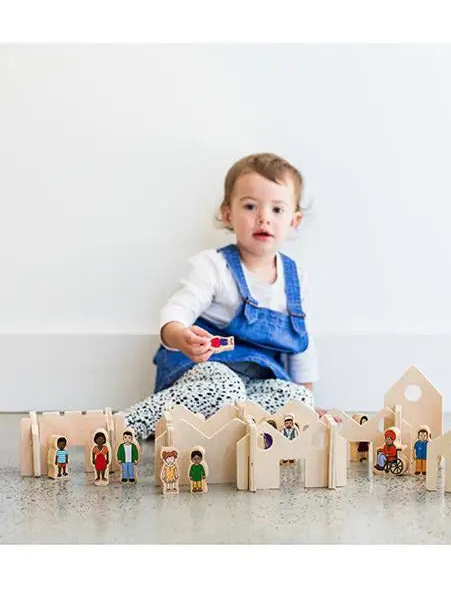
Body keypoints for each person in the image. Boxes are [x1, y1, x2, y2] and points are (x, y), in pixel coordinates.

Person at [124, 153, 321, 439]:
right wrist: (180, 336)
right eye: (251, 206)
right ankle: (128, 425)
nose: (264, 217)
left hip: (257, 384)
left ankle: (233, 438)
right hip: (204, 372)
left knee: (298, 402)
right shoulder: (213, 266)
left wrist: (307, 402)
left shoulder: (296, 278)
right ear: (228, 214)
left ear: (294, 220)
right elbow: (178, 309)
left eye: (277, 210)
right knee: (225, 388)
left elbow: (303, 343)